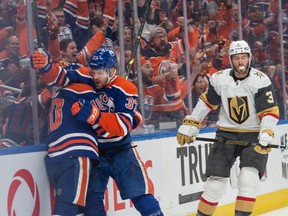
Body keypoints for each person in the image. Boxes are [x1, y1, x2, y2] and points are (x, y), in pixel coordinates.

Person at [31, 48, 163, 216]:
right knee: (92, 204)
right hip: (96, 154)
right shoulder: (87, 75)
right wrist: (46, 67)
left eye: (100, 73)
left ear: (112, 70)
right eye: (93, 71)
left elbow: (123, 126)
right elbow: (62, 77)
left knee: (140, 194)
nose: (95, 77)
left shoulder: (125, 88)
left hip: (121, 150)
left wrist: (94, 116)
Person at [176, 40, 279, 216]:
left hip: (253, 135)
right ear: (230, 60)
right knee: (214, 185)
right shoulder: (219, 79)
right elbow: (206, 103)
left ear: (250, 58)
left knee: (248, 180)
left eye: (244, 58)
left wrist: (266, 132)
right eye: (237, 58)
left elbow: (269, 112)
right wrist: (192, 123)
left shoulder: (260, 81)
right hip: (226, 133)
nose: (240, 62)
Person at [31, 50, 101, 215]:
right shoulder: (85, 89)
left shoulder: (57, 94)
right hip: (76, 152)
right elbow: (101, 123)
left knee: (71, 206)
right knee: (68, 209)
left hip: (54, 156)